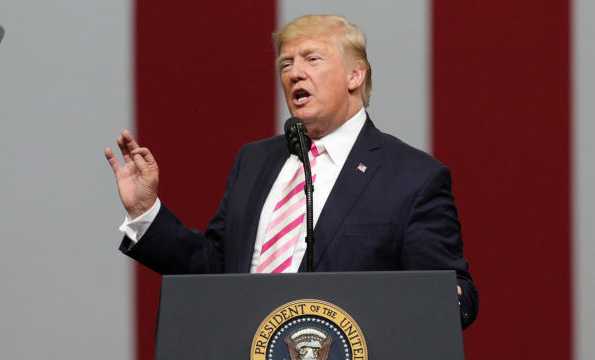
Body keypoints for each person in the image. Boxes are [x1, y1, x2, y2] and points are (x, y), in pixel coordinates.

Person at [105, 15, 478, 328]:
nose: (295, 73)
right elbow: (216, 270)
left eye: (312, 59)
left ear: (355, 76)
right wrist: (146, 212)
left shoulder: (411, 177)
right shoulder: (254, 161)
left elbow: (451, 294)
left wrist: (446, 299)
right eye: (286, 63)